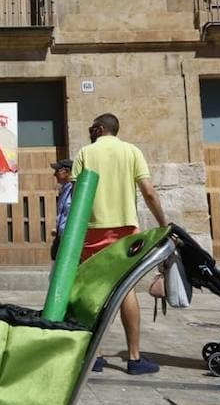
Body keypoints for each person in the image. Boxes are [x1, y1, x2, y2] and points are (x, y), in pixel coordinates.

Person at [72, 113, 168, 375]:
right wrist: (163, 224)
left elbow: (77, 197)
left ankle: (97, 356)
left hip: (92, 231)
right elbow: (148, 191)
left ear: (101, 128)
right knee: (127, 290)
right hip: (125, 231)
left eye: (93, 127)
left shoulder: (85, 153)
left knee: (94, 291)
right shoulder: (131, 151)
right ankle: (134, 358)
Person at [49, 157, 74, 260]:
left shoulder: (74, 190)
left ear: (67, 172)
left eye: (57, 171)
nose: (54, 174)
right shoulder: (64, 190)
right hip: (62, 237)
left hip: (69, 238)